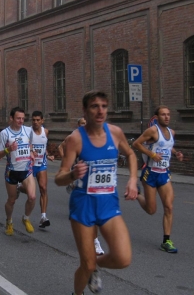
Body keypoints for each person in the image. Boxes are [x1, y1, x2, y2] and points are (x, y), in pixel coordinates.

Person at [55, 90, 138, 295]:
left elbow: (131, 154)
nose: (100, 111)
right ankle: (78, 292)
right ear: (85, 110)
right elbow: (59, 177)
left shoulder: (116, 133)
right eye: (94, 106)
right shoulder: (76, 139)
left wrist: (133, 180)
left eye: (104, 106)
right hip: (83, 204)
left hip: (108, 203)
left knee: (123, 258)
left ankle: (95, 264)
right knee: (86, 265)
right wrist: (73, 174)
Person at [132, 105, 184, 253]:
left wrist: (176, 153)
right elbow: (136, 144)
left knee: (169, 206)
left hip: (164, 173)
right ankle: (137, 194)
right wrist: (152, 155)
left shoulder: (171, 132)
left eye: (168, 114)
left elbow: (169, 147)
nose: (167, 117)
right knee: (151, 210)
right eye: (163, 114)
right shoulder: (152, 131)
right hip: (150, 173)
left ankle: (166, 240)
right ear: (157, 117)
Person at [58, 117, 105, 255]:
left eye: (86, 123)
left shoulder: (98, 136)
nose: (85, 125)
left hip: (96, 180)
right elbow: (61, 147)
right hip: (82, 179)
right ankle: (92, 241)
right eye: (83, 124)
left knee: (95, 212)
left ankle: (95, 241)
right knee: (86, 213)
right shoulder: (74, 137)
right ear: (78, 125)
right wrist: (68, 163)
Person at [0, 107, 36, 236]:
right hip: (12, 171)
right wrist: (8, 150)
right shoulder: (4, 134)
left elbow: (30, 144)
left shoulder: (28, 130)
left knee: (32, 196)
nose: (21, 121)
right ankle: (9, 221)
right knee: (11, 200)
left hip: (26, 170)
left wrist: (31, 152)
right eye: (18, 118)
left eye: (23, 118)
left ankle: (26, 218)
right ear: (11, 118)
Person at [18, 111, 54, 228]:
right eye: (33, 120)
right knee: (29, 191)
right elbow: (23, 144)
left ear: (42, 121)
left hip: (41, 164)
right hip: (29, 164)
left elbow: (44, 146)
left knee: (43, 188)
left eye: (38, 120)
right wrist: (31, 150)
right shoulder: (28, 132)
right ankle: (20, 187)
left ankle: (43, 217)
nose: (35, 122)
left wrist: (47, 154)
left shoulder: (46, 132)